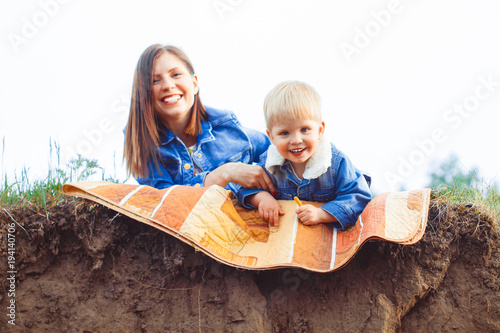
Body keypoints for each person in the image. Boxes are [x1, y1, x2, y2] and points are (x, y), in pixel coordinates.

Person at [124, 44, 276, 195]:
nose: (168, 86)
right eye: (154, 81)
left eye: (176, 74)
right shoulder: (142, 145)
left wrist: (259, 194)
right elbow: (165, 201)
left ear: (194, 83)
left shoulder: (225, 125)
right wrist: (225, 173)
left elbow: (278, 153)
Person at [237, 81, 371, 230]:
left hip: (326, 240)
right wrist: (261, 198)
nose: (296, 140)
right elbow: (245, 190)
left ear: (320, 130)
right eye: (284, 133)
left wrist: (322, 214)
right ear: (271, 137)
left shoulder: (335, 162)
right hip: (286, 241)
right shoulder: (269, 164)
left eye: (305, 129)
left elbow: (358, 197)